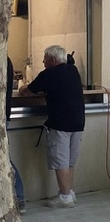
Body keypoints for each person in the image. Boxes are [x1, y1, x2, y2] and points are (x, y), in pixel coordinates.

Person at [18, 45, 85, 208]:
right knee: (69, 161)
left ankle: (64, 197)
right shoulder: (73, 70)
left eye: (45, 59)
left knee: (61, 161)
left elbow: (25, 91)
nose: (42, 61)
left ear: (52, 60)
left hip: (60, 123)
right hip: (78, 122)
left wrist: (21, 87)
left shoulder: (48, 74)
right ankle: (69, 192)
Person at [6, 56, 25, 213]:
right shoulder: (6, 59)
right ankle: (18, 198)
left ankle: (18, 197)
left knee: (4, 159)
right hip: (5, 115)